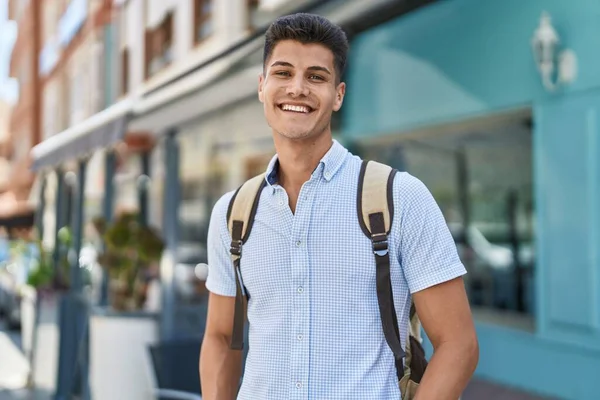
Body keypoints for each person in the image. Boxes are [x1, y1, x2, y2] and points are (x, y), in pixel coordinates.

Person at [199, 13, 479, 400]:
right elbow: (221, 338)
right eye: (283, 73)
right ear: (262, 87)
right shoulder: (232, 215)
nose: (297, 88)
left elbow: (458, 344)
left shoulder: (400, 198)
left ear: (339, 95)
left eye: (316, 77)